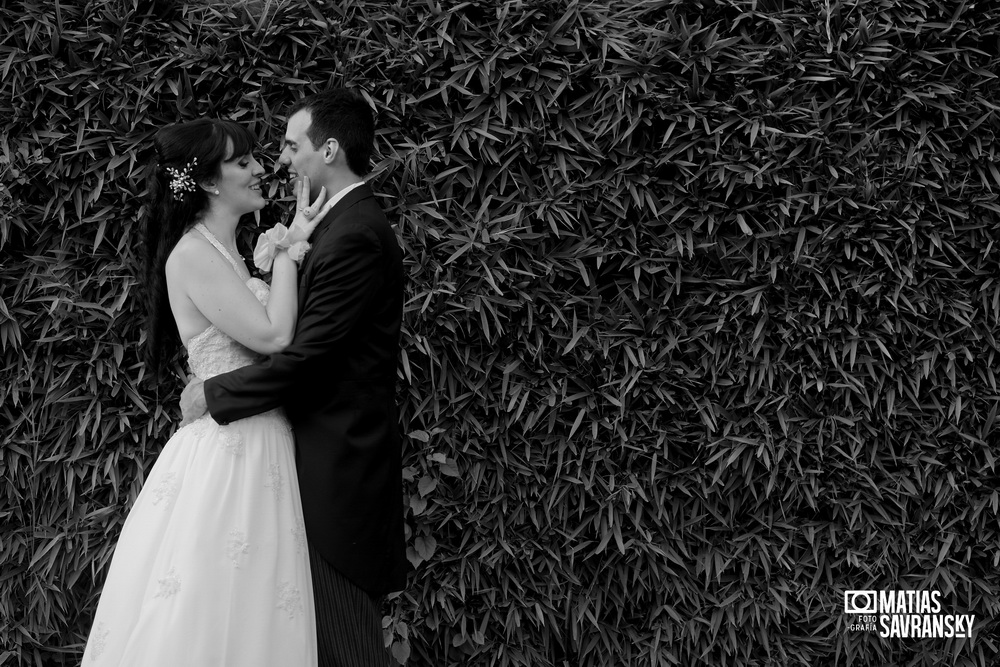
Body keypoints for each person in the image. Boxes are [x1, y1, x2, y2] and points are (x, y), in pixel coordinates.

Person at [82, 118, 339, 665]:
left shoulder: (228, 253)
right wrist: (291, 249)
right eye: (242, 162)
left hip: (259, 443)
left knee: (256, 614)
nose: (259, 169)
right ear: (208, 183)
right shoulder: (193, 254)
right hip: (229, 454)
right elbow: (274, 335)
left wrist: (284, 245)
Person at [180, 88, 408, 667]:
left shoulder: (354, 234)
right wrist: (293, 242)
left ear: (328, 150)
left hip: (337, 477)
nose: (277, 161)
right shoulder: (334, 226)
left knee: (346, 648)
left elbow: (307, 357)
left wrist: (214, 392)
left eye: (287, 145)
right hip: (291, 467)